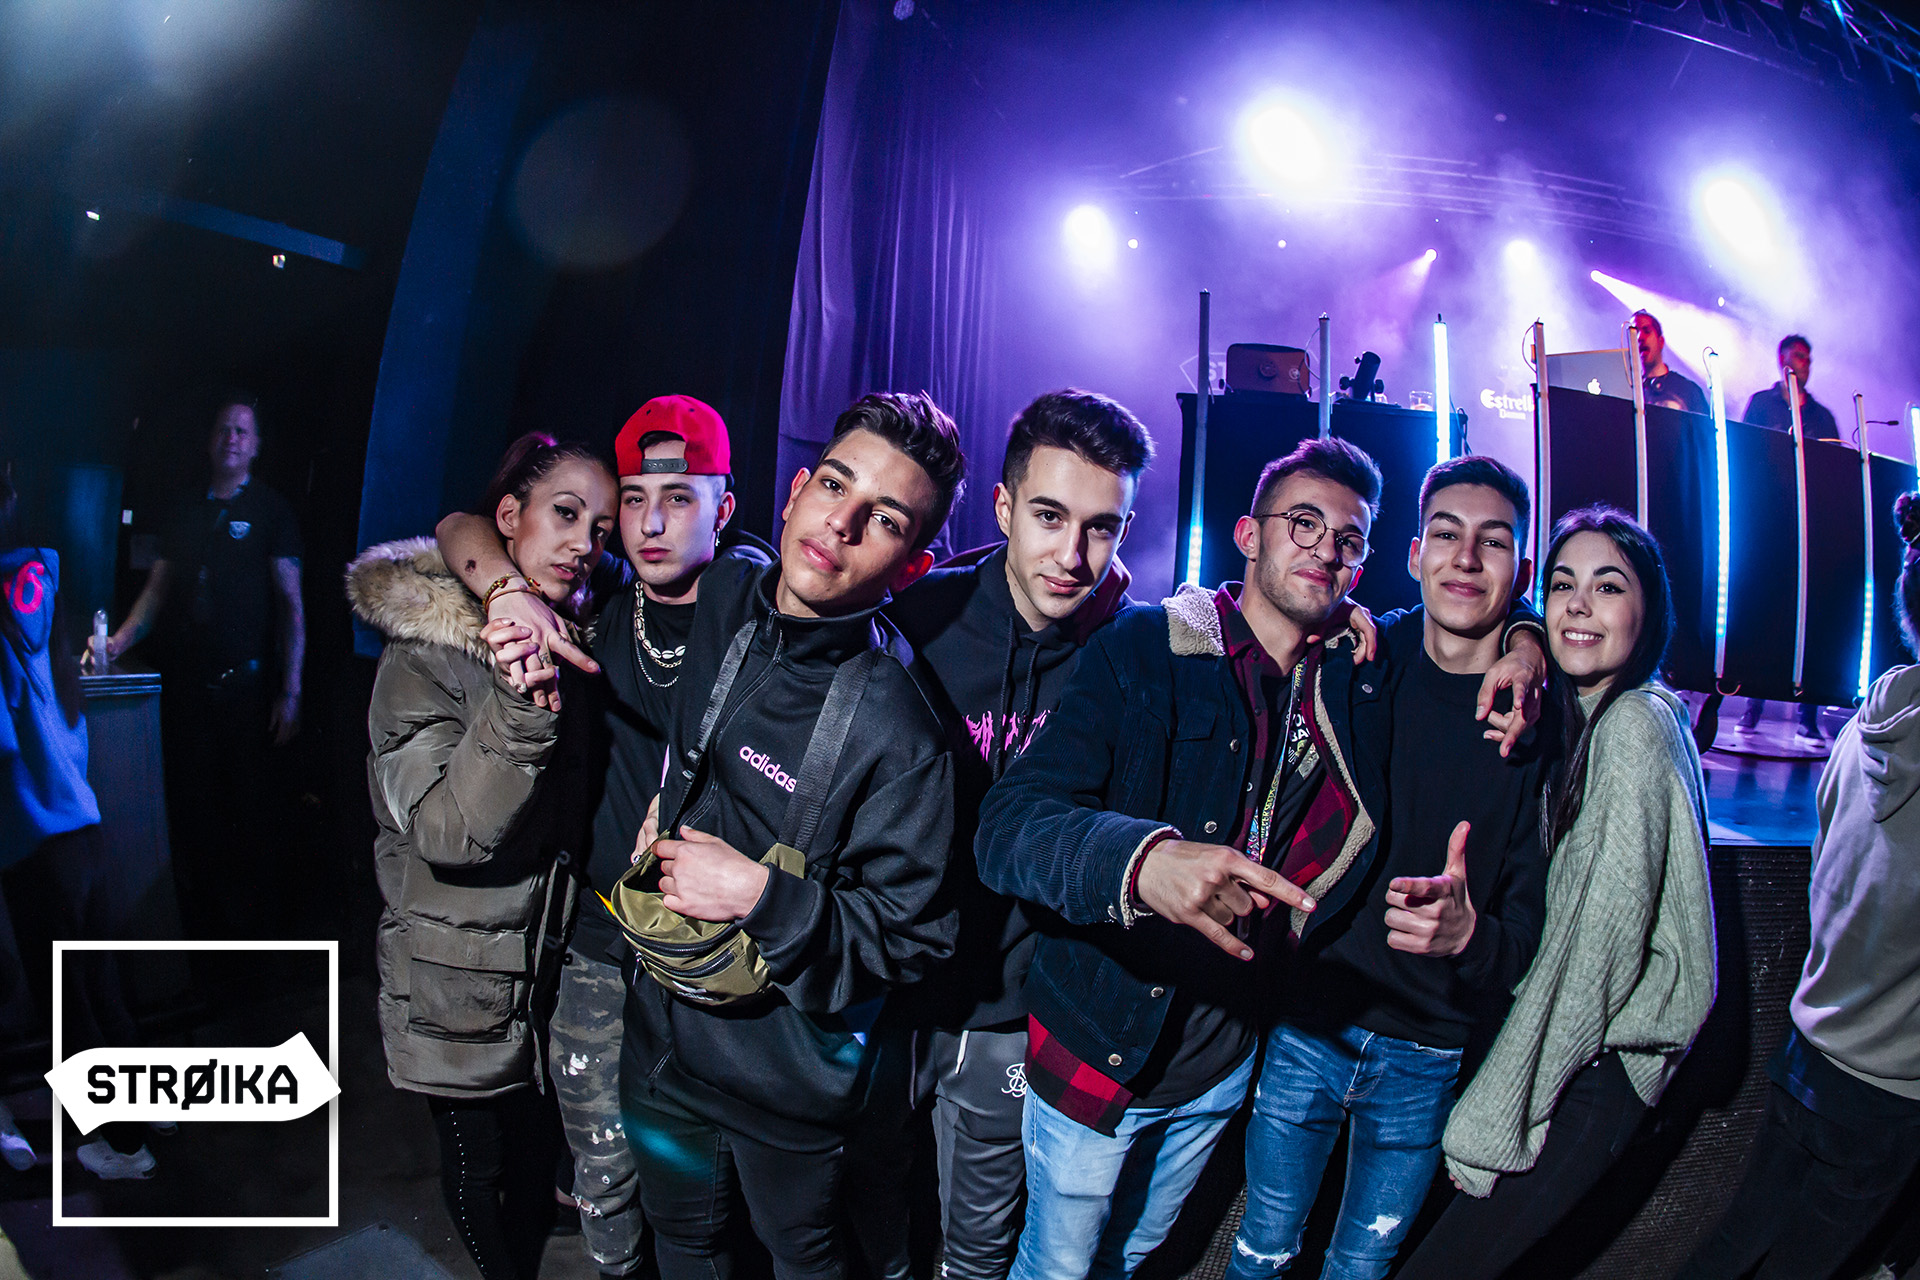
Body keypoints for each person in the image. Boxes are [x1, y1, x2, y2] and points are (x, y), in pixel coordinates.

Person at [974, 438, 1546, 1280]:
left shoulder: (1350, 679)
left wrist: (1527, 644)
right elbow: (1007, 827)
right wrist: (1142, 863)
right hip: (1099, 1048)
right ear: (1248, 534)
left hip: (1222, 1064)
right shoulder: (1147, 650)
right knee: (1058, 1265)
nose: (1323, 549)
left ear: (1364, 566)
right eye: (1302, 523)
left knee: (1136, 1258)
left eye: (1346, 539)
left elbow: (1479, 609)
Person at [611, 392, 964, 1280]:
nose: (841, 523)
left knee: (801, 1260)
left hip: (786, 1086)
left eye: (884, 519)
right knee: (681, 1239)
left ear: (911, 567)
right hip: (658, 1037)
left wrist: (761, 896)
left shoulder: (901, 728)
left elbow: (915, 937)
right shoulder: (727, 591)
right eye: (835, 486)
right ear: (797, 489)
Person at [439, 395, 768, 1280]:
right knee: (602, 1176)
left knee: (705, 1187)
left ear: (724, 511)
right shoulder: (605, 603)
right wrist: (506, 588)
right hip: (596, 947)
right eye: (633, 500)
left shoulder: (756, 607)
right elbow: (458, 525)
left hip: (707, 952)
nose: (651, 524)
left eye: (680, 497)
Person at [1223, 456, 1552, 1280]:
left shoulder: (1538, 724)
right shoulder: (1362, 657)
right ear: (1414, 554)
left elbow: (1529, 939)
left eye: (1494, 542)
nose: (1466, 558)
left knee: (1361, 1270)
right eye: (1446, 534)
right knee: (1261, 1252)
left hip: (1427, 1054)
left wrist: (1470, 936)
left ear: (1522, 570)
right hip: (1312, 1023)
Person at [864, 390, 1154, 1280]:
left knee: (979, 1242)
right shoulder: (915, 616)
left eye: (1102, 528)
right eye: (1050, 516)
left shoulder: (1129, 652)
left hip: (1011, 1009)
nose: (1073, 556)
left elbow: (1258, 630)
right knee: (869, 1214)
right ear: (1002, 506)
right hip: (885, 986)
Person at [1395, 505, 1718, 1280]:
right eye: (1565, 584)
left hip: (1590, 1070)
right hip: (1584, 1061)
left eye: (1608, 587)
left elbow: (1590, 961)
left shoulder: (1632, 729)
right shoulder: (1604, 716)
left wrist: (1496, 1119)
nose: (1578, 605)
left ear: (1648, 610)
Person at [349, 433, 618, 1280]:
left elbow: (459, 526)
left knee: (535, 1154)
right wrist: (522, 706)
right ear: (510, 515)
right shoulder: (424, 654)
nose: (584, 543)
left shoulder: (575, 621)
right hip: (453, 975)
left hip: (542, 969)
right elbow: (446, 833)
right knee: (479, 1165)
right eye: (565, 514)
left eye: (600, 528)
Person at [1676, 494, 1920, 1280]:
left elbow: (1827, 873)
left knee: (1730, 1244)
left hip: (1812, 1045)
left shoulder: (1868, 723)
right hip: (1891, 1092)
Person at [102, 393, 306, 939]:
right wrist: (117, 641)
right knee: (194, 809)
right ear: (209, 440)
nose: (231, 438)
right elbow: (156, 590)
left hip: (247, 691)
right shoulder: (185, 509)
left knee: (249, 810)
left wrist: (291, 691)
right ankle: (201, 930)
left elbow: (291, 605)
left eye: (241, 430)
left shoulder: (271, 510)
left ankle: (255, 936)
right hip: (189, 690)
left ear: (256, 445)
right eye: (223, 429)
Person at [0, 462, 153, 1180]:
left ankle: (113, 1143)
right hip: (82, 826)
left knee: (66, 1003)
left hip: (30, 838)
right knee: (99, 984)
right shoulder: (39, 589)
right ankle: (136, 1115)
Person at [1733, 334, 1838, 750]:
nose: (1802, 364)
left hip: (1810, 530)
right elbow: (1745, 451)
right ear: (1782, 360)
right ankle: (1752, 706)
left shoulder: (1822, 415)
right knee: (1763, 614)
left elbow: (1834, 464)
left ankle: (1808, 718)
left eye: (1807, 358)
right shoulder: (1762, 404)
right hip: (1767, 525)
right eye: (1796, 357)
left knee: (1813, 620)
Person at [1742, 333, 1841, 442]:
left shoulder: (1824, 416)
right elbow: (1745, 444)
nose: (1805, 363)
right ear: (1782, 359)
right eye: (1799, 356)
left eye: (1808, 360)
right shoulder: (1761, 403)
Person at [1631, 310, 1709, 416]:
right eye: (1634, 334)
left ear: (1661, 341)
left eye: (1647, 331)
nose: (1640, 337)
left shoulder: (1688, 390)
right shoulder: (1629, 393)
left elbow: (1704, 426)